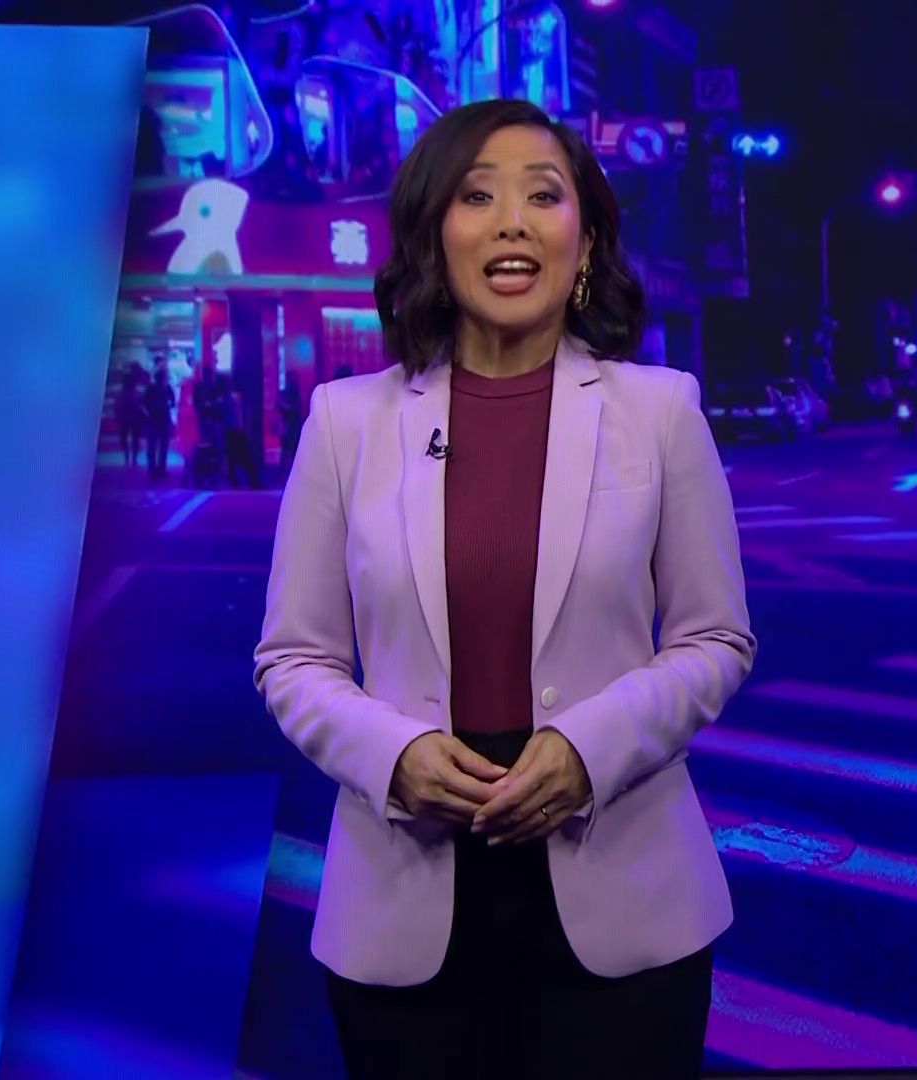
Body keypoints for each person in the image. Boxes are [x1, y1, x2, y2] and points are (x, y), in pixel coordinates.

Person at [253, 98, 756, 1080]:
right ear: (433, 234)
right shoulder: (346, 422)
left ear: (587, 239)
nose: (513, 223)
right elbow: (293, 659)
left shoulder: (661, 411)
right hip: (404, 900)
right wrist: (394, 756)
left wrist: (590, 749)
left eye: (544, 196)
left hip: (627, 901)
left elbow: (715, 639)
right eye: (477, 196)